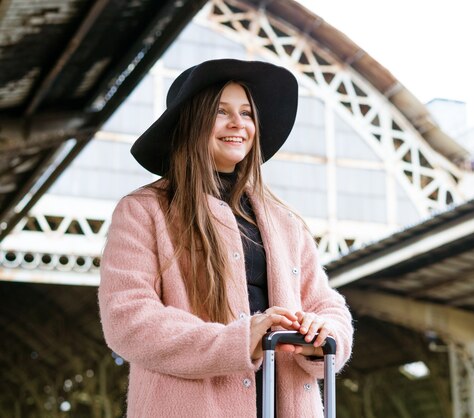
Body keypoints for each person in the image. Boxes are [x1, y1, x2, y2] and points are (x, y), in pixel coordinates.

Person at [98, 58, 354, 418]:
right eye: (221, 112)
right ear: (191, 121)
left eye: (247, 113)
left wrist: (324, 334)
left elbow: (327, 305)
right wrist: (239, 340)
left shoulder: (286, 222)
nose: (239, 124)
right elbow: (128, 318)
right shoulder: (143, 211)